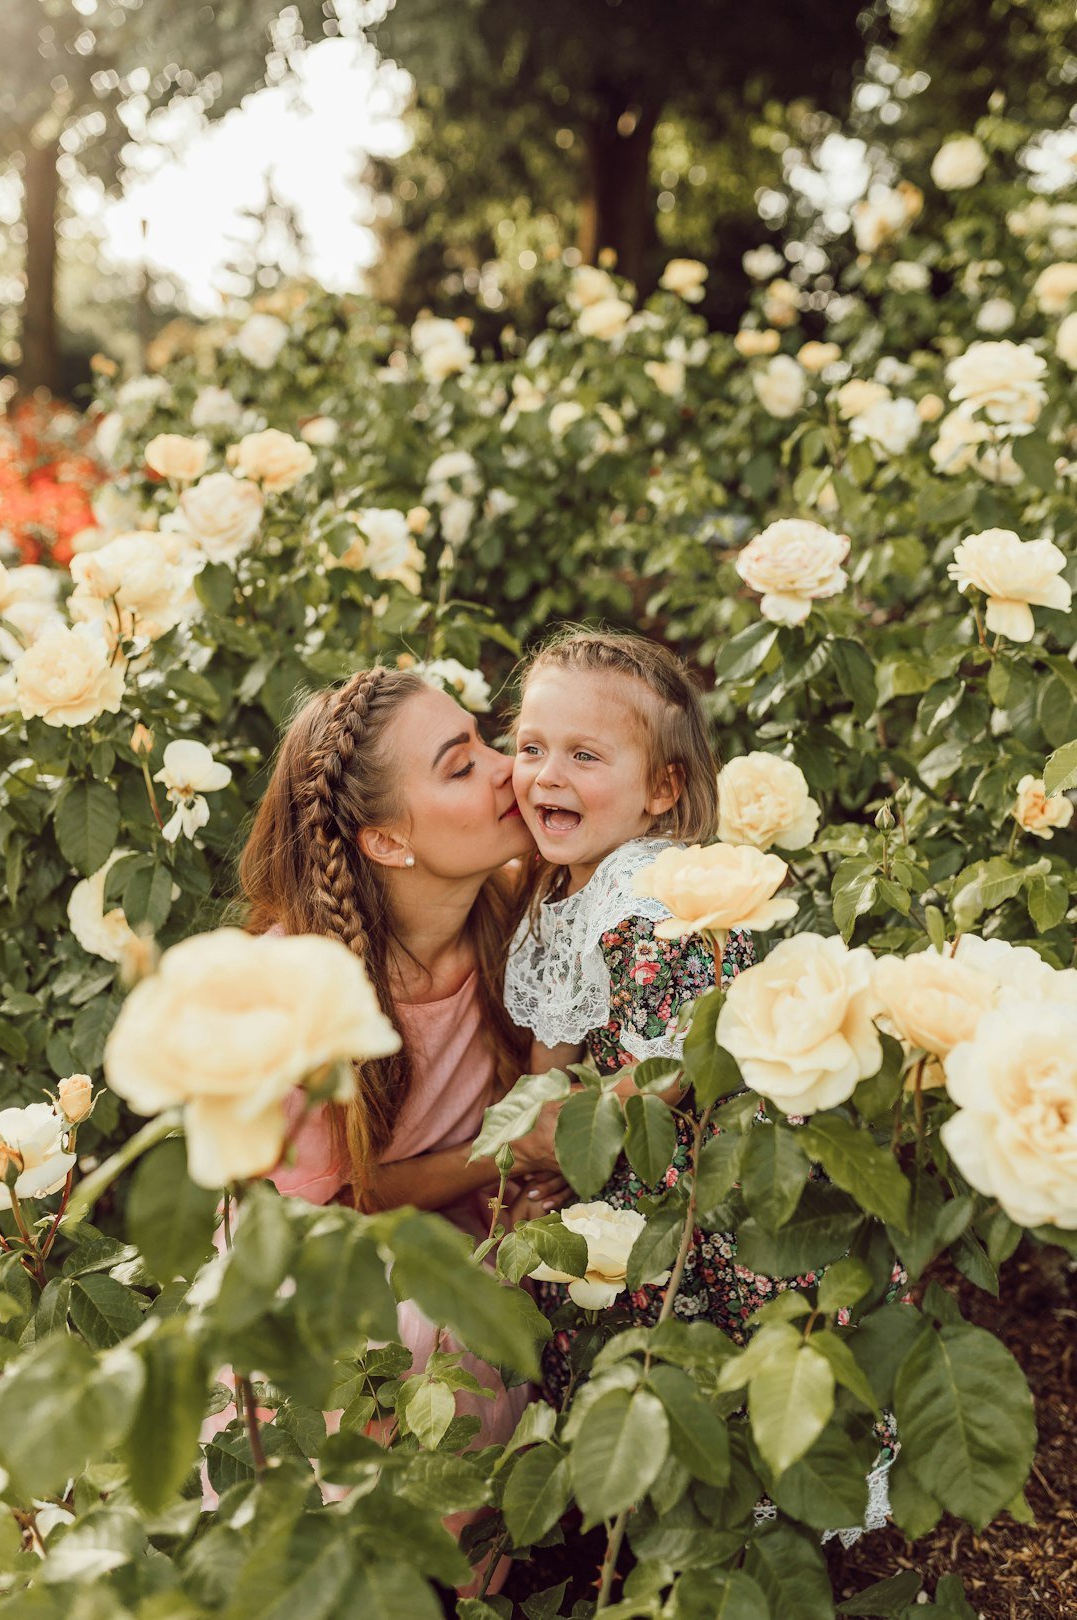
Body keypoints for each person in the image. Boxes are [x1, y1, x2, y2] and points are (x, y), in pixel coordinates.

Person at [229, 665, 567, 1590]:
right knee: (418, 1328)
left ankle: (474, 1572)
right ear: (385, 839)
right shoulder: (302, 989)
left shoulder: (519, 909)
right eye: (461, 767)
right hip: (332, 1253)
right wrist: (509, 1149)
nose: (508, 771)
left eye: (488, 741)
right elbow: (346, 1196)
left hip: (470, 1218)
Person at [503, 630, 824, 1403]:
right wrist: (536, 1147)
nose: (548, 774)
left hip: (678, 1174)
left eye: (585, 756)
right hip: (606, 1153)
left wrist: (555, 1145)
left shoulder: (652, 896)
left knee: (691, 1346)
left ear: (661, 789)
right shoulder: (565, 890)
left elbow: (667, 1077)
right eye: (531, 747)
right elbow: (553, 1045)